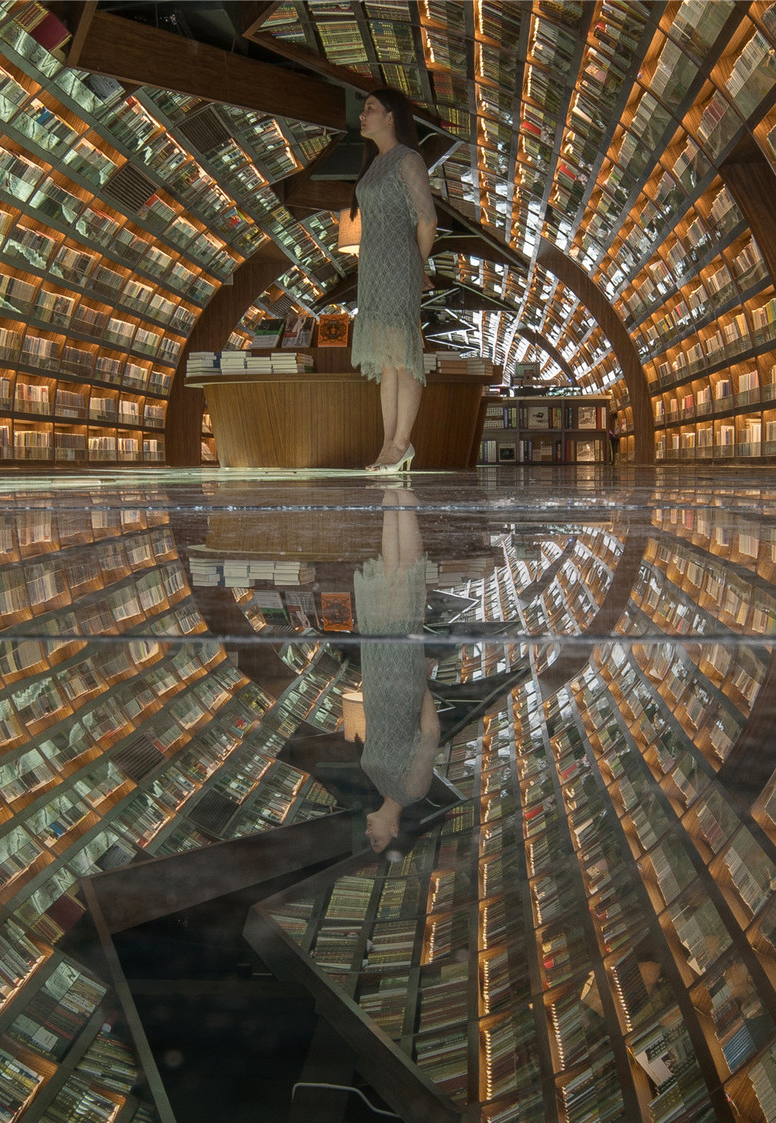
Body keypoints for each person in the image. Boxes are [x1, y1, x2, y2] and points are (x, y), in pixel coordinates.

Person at [351, 90, 437, 476]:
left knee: (402, 356)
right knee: (388, 362)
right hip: (372, 269)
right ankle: (390, 443)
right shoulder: (375, 164)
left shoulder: (408, 160)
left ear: (391, 117)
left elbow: (427, 219)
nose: (362, 114)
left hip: (400, 265)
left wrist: (416, 265)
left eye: (370, 108)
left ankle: (402, 443)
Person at [354, 492, 439, 852]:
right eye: (375, 842)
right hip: (402, 680)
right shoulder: (412, 791)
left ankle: (394, 495)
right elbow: (430, 733)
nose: (369, 835)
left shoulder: (379, 782)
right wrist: (421, 682)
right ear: (394, 832)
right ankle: (405, 498)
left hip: (378, 674)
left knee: (393, 576)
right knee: (405, 578)